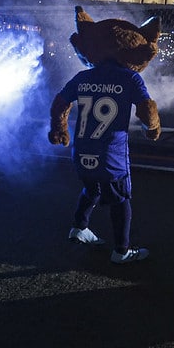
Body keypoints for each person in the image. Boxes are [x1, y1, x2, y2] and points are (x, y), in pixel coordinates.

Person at [49, 57, 161, 264]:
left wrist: (58, 128)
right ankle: (121, 250)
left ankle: (79, 227)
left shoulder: (83, 77)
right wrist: (152, 128)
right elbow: (146, 108)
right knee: (120, 198)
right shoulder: (130, 78)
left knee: (92, 188)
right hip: (111, 153)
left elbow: (60, 102)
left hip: (81, 150)